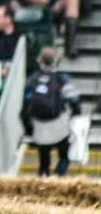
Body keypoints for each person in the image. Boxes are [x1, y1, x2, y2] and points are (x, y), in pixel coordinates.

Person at [22, 46, 81, 177]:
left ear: (40, 61)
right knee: (64, 156)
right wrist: (76, 113)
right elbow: (72, 98)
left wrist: (28, 126)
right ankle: (58, 177)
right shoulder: (61, 77)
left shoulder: (33, 78)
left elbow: (26, 102)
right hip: (58, 123)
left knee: (43, 160)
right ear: (55, 60)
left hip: (39, 124)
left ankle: (43, 178)